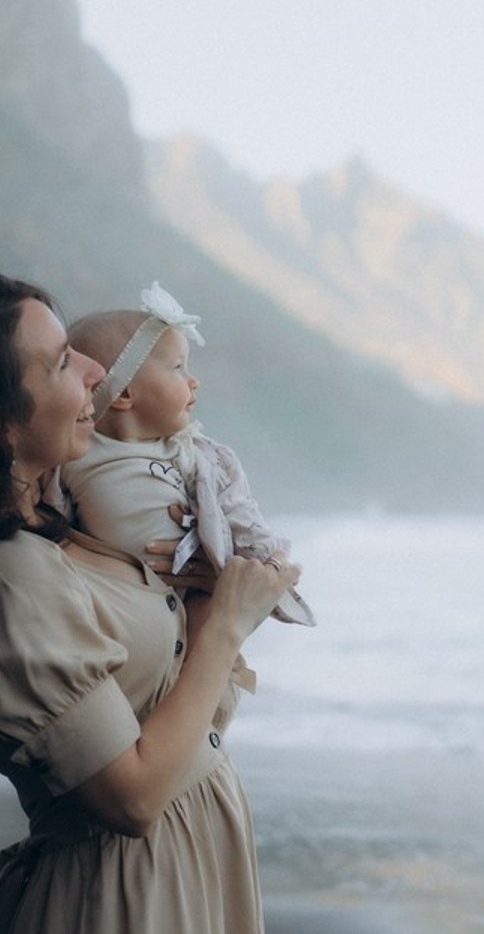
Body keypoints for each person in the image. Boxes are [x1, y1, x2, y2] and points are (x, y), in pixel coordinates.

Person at [0, 274, 300, 932]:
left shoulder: (78, 525)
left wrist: (207, 591)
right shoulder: (14, 573)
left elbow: (176, 699)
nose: (94, 369)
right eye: (59, 362)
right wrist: (221, 621)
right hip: (120, 895)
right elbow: (131, 799)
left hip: (191, 867)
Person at [64, 282, 314, 627]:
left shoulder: (197, 457)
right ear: (123, 393)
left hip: (191, 604)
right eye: (178, 367)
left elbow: (238, 513)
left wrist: (269, 563)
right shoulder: (75, 453)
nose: (193, 381)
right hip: (117, 616)